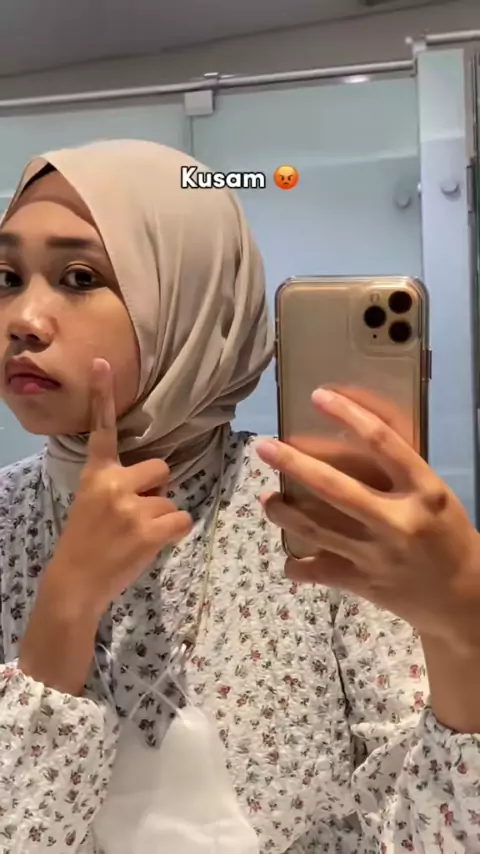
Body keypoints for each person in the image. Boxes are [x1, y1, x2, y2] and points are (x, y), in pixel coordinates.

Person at [0, 139, 479, 854]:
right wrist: (64, 608)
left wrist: (464, 625)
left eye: (78, 277)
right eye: (6, 276)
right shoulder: (7, 519)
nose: (23, 318)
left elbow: (431, 835)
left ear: (190, 299)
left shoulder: (309, 505)